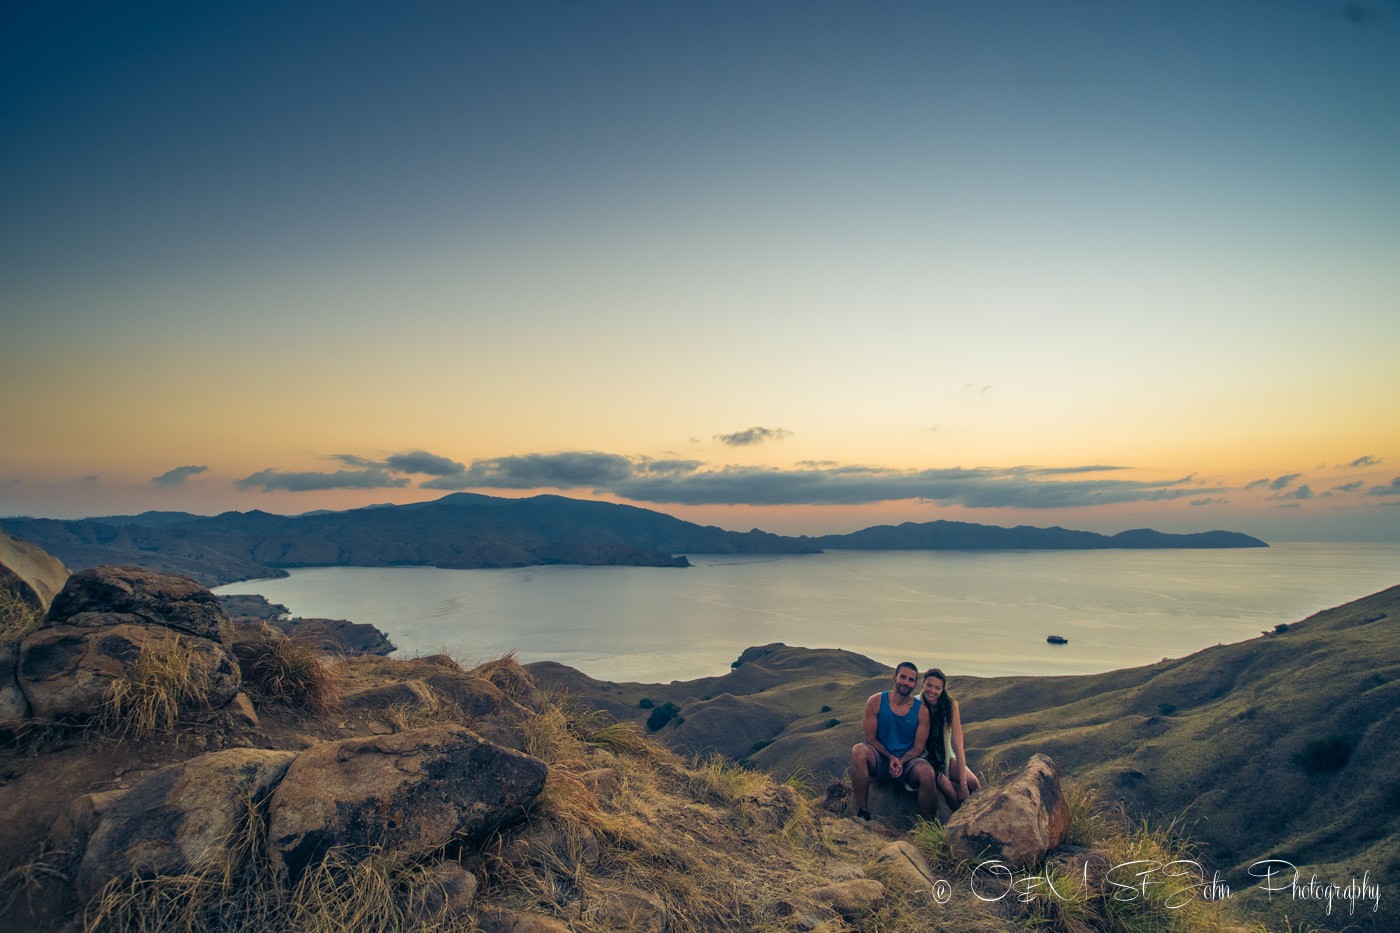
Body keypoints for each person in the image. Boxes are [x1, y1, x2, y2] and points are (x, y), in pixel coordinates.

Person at [849, 661, 940, 820]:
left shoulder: (921, 711)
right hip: (881, 759)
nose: (906, 682)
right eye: (903, 677)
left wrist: (901, 761)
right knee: (858, 750)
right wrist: (891, 758)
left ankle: (929, 827)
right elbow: (870, 738)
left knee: (927, 773)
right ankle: (862, 812)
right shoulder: (875, 701)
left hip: (907, 764)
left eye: (911, 679)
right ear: (894, 677)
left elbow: (918, 747)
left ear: (915, 684)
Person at [920, 667, 981, 811]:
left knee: (973, 783)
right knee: (948, 789)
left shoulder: (950, 706)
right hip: (924, 756)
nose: (932, 691)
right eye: (929, 685)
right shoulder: (916, 704)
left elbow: (958, 745)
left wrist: (964, 786)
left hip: (947, 754)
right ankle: (958, 824)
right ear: (923, 684)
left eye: (937, 687)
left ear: (943, 689)